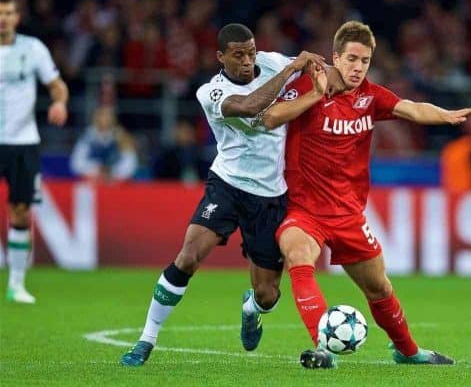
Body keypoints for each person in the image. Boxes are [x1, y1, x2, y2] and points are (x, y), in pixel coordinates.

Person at [262, 20, 471, 368]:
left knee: (379, 288)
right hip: (305, 209)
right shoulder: (308, 86)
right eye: (351, 59)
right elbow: (272, 116)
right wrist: (315, 95)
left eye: (364, 61)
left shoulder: (371, 97)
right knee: (298, 255)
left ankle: (409, 353)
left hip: (349, 214)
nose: (358, 67)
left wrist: (446, 116)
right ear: (335, 57)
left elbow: (411, 108)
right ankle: (322, 348)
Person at [120, 23, 331, 366]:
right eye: (239, 55)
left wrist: (348, 75)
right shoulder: (211, 92)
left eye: (251, 52)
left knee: (268, 295)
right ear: (221, 57)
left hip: (271, 196)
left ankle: (251, 310)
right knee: (188, 256)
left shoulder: (273, 62)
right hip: (228, 184)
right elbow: (249, 107)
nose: (248, 61)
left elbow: (324, 71)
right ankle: (146, 340)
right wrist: (294, 69)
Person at [0, 0, 69, 304]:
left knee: (21, 211)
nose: (4, 19)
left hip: (23, 143)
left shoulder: (33, 48)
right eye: (0, 13)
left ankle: (16, 285)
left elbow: (56, 85)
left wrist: (59, 102)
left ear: (17, 16)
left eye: (9, 13)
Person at [70, 106, 138, 182]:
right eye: (101, 115)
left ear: (113, 118)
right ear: (95, 118)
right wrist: (96, 169)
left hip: (116, 183)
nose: (105, 119)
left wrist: (113, 172)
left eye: (108, 116)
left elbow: (130, 164)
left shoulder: (121, 137)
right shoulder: (87, 137)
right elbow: (76, 164)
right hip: (92, 182)